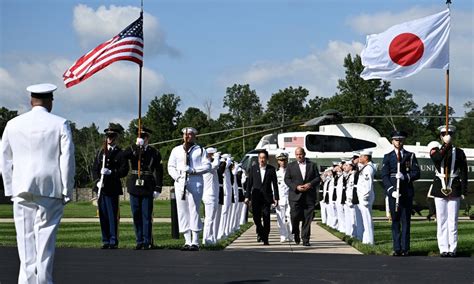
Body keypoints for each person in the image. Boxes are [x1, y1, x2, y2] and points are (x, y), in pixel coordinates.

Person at [1, 83, 75, 283]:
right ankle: (43, 281)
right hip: (50, 188)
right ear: (50, 100)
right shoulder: (60, 123)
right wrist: (67, 189)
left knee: (25, 243)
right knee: (45, 242)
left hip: (21, 188)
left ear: (30, 100)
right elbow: (66, 159)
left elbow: (5, 159)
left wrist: (10, 188)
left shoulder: (13, 124)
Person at [167, 127, 210, 251]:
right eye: (185, 134)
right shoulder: (176, 150)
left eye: (190, 134)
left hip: (195, 180)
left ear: (194, 136)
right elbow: (171, 166)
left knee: (194, 209)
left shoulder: (200, 150)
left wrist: (194, 170)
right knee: (182, 211)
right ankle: (187, 240)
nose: (187, 137)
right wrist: (177, 177)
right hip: (180, 182)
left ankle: (195, 240)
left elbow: (207, 166)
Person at [122, 126, 163, 250]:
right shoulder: (132, 149)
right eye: (140, 137)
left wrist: (158, 188)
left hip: (147, 186)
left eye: (144, 137)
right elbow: (123, 156)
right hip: (134, 185)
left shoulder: (154, 152)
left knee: (146, 215)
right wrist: (135, 147)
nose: (142, 139)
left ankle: (147, 241)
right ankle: (139, 240)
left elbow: (159, 171)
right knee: (136, 214)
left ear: (148, 138)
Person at [430, 125, 468, 257]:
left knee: (453, 220)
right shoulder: (435, 150)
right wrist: (445, 146)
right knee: (441, 219)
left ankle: (453, 248)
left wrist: (463, 190)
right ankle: (443, 248)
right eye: (445, 135)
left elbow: (464, 172)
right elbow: (437, 159)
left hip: (454, 187)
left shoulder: (459, 152)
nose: (447, 136)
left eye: (450, 134)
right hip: (439, 187)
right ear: (441, 137)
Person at [382, 130, 420, 256]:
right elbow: (384, 176)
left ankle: (405, 248)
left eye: (401, 140)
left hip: (406, 192)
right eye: (396, 140)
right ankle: (396, 248)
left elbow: (416, 173)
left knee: (406, 221)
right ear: (392, 141)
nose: (399, 142)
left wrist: (406, 176)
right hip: (394, 192)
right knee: (395, 221)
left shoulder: (410, 155)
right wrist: (391, 190)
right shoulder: (388, 157)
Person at [92, 123, 129, 249]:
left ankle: (113, 240)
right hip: (101, 188)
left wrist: (111, 172)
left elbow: (124, 170)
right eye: (108, 136)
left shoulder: (120, 153)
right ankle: (105, 239)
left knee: (113, 215)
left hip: (112, 188)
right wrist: (97, 181)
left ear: (116, 137)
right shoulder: (100, 152)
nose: (109, 138)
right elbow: (95, 169)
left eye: (112, 136)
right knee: (103, 215)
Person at [284, 147, 320, 246]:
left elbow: (317, 178)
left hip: (308, 196)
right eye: (297, 154)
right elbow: (287, 179)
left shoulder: (312, 165)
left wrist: (310, 184)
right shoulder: (291, 166)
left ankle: (305, 239)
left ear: (304, 154)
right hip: (295, 196)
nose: (299, 156)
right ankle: (296, 232)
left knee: (307, 219)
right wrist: (296, 187)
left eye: (300, 154)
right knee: (294, 216)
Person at [244, 150, 279, 245]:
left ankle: (265, 237)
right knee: (256, 218)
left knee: (266, 217)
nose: (262, 160)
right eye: (260, 158)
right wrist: (247, 197)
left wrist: (276, 197)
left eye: (264, 158)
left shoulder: (271, 169)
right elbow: (249, 184)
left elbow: (275, 184)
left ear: (267, 159)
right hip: (256, 197)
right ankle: (260, 231)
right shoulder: (253, 168)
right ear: (258, 159)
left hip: (267, 198)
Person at [356, 149, 376, 245]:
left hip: (365, 197)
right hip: (363, 196)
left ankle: (370, 241)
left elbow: (368, 184)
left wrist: (365, 196)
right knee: (365, 219)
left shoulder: (368, 168)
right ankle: (366, 239)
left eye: (361, 156)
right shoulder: (365, 167)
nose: (359, 158)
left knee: (367, 220)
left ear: (366, 157)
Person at [202, 147, 220, 245]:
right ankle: (206, 240)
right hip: (209, 195)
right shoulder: (206, 165)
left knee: (211, 219)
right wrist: (216, 157)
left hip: (213, 195)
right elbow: (216, 165)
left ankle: (210, 238)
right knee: (209, 219)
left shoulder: (210, 164)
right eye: (212, 154)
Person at [275, 150, 292, 243]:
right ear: (278, 161)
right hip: (280, 198)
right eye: (281, 160)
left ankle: (290, 234)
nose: (283, 162)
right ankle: (283, 235)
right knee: (280, 218)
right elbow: (273, 187)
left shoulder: (291, 172)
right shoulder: (276, 173)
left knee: (290, 217)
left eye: (284, 160)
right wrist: (274, 197)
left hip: (290, 198)